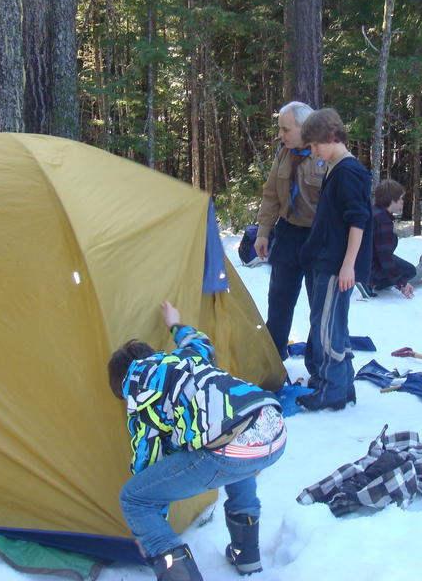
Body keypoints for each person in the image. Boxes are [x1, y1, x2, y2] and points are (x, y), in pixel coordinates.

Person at [109, 302, 286, 581]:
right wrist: (174, 324)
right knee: (237, 459)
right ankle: (247, 556)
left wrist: (151, 530)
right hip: (273, 426)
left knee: (134, 498)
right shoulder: (187, 357)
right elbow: (200, 341)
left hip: (231, 445)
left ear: (121, 385)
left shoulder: (141, 398)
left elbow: (147, 462)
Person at [295, 108, 374, 412]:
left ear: (331, 137)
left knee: (326, 329)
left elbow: (358, 221)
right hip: (325, 260)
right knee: (334, 324)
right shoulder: (334, 167)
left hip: (336, 266)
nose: (313, 151)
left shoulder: (348, 172)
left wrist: (348, 265)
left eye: (316, 145)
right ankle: (344, 384)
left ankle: (331, 390)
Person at [253, 101, 325, 359]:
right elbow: (271, 193)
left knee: (320, 305)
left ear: (304, 128)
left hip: (318, 238)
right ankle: (274, 357)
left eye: (285, 129)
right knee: (279, 299)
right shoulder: (284, 153)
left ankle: (319, 364)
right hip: (287, 234)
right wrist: (263, 231)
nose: (280, 135)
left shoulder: (327, 155)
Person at [366, 179, 417, 298]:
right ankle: (372, 283)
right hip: (371, 265)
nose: (402, 202)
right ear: (392, 200)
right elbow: (385, 258)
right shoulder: (383, 220)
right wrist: (401, 283)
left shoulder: (374, 211)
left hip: (367, 259)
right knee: (410, 271)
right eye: (401, 198)